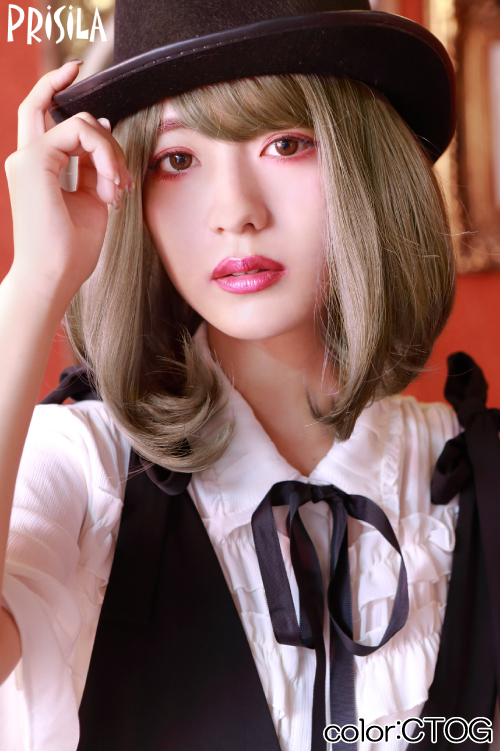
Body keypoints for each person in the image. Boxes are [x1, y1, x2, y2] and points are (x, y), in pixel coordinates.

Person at [0, 1, 483, 750]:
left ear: (365, 162)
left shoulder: (475, 479)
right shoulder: (85, 469)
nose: (236, 212)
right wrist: (35, 282)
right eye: (177, 160)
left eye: (286, 143)